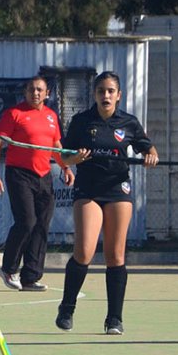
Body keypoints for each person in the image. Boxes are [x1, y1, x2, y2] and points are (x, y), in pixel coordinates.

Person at [55, 71, 159, 335]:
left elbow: (149, 149)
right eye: (101, 91)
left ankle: (114, 318)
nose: (106, 96)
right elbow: (63, 158)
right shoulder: (81, 121)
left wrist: (150, 156)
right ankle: (67, 308)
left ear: (119, 95)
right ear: (95, 94)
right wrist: (73, 159)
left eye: (111, 91)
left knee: (116, 255)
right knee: (85, 252)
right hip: (88, 189)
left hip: (117, 189)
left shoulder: (129, 123)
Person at [0, 76, 75, 291]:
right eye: (31, 90)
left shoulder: (51, 116)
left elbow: (56, 145)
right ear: (25, 92)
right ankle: (8, 269)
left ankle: (30, 277)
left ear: (47, 94)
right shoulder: (14, 114)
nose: (35, 93)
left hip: (44, 176)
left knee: (41, 224)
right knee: (26, 221)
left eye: (39, 90)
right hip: (19, 175)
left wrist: (65, 167)